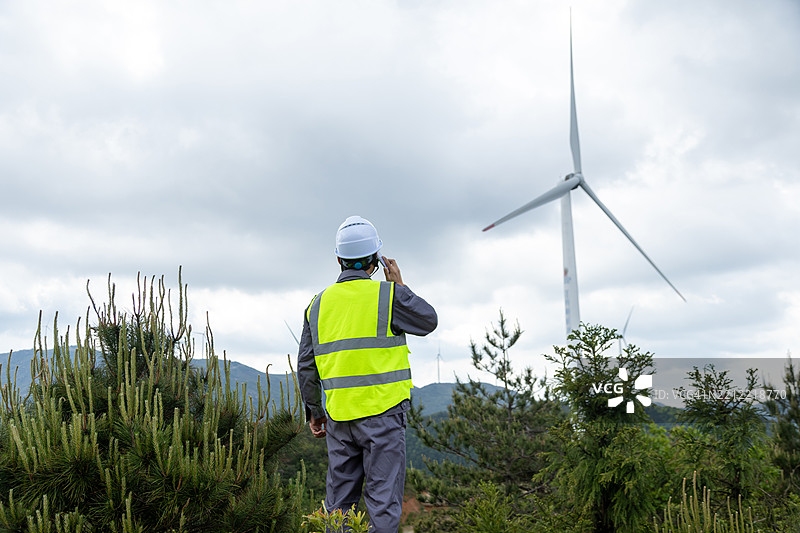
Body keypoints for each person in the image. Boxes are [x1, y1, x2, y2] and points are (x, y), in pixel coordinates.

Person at [297, 215, 437, 533]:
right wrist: (399, 285)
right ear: (375, 258)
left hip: (339, 419)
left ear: (338, 259)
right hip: (384, 418)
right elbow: (428, 320)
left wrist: (315, 412)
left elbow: (306, 366)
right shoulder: (388, 297)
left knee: (339, 509)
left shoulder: (317, 305)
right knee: (382, 506)